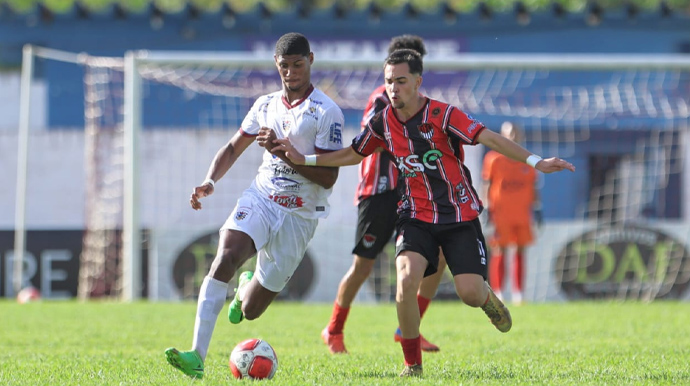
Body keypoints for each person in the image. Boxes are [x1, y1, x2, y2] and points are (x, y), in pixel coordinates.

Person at [273, 49, 575, 377]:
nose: (394, 88)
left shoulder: (444, 115)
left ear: (418, 82)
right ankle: (412, 364)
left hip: (459, 216)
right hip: (415, 215)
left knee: (470, 293)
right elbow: (352, 154)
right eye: (389, 81)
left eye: (401, 81)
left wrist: (536, 162)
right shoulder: (382, 122)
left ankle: (488, 297)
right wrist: (304, 159)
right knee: (404, 280)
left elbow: (489, 138)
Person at [164, 32, 344, 379]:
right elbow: (233, 147)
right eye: (284, 66)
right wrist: (210, 181)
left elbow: (328, 178)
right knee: (226, 256)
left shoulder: (326, 112)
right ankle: (197, 355)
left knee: (251, 309)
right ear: (276, 66)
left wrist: (282, 153)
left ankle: (247, 285)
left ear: (311, 60)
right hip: (262, 196)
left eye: (297, 64)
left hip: (300, 214)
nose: (291, 72)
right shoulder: (265, 105)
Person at [321, 34, 445, 355]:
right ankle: (333, 329)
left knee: (440, 255)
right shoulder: (381, 99)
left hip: (412, 194)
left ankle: (408, 329)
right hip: (378, 192)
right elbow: (369, 140)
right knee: (363, 266)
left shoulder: (424, 105)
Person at [482, 121, 541, 305]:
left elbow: (534, 187)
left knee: (521, 251)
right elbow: (487, 184)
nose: (513, 137)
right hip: (501, 213)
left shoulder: (529, 160)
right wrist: (486, 208)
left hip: (522, 213)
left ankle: (519, 294)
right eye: (509, 133)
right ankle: (498, 292)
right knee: (500, 250)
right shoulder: (494, 159)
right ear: (502, 136)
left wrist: (538, 209)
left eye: (516, 133)